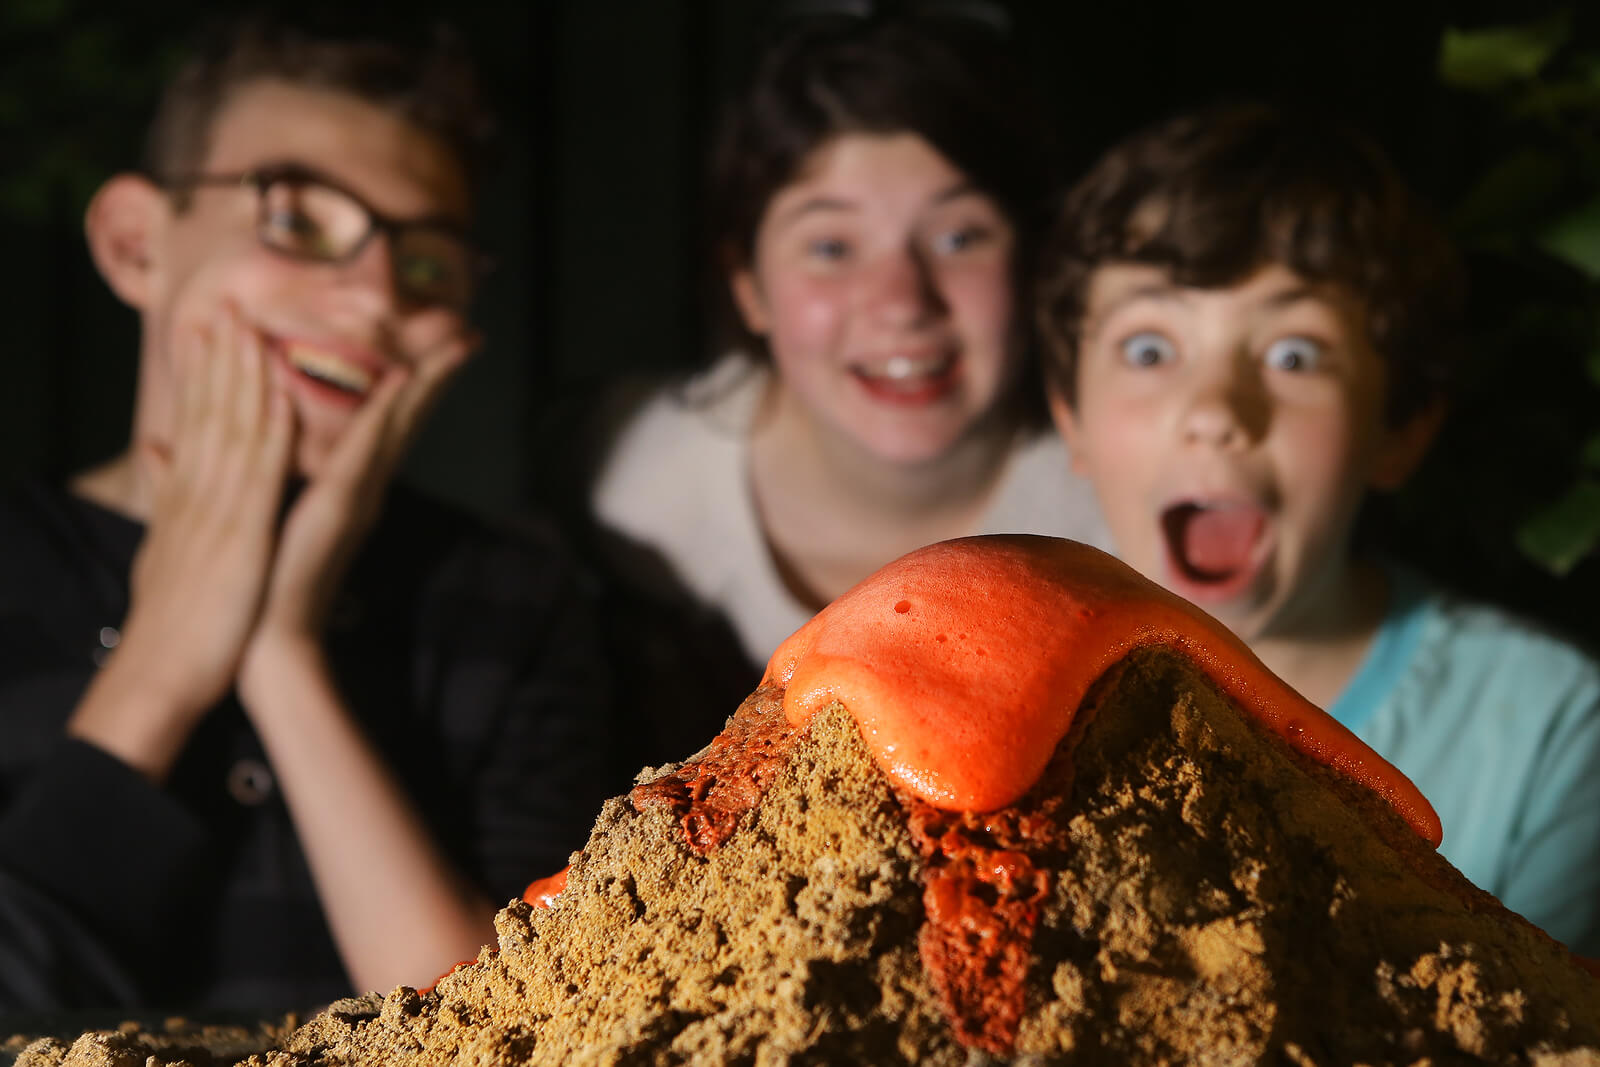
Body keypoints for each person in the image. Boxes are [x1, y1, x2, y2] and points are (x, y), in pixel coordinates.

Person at [0, 11, 615, 1018]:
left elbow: (525, 1027)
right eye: (297, 222)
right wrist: (162, 663)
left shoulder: (511, 600)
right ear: (133, 243)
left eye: (424, 264)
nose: (374, 296)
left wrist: (281, 654)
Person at [1036, 100, 1600, 955]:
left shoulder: (1553, 731)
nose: (1216, 411)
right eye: (1150, 349)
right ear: (1070, 415)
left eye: (1294, 354)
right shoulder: (982, 689)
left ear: (1400, 427)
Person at [583, 10, 1110, 738]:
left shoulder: (1123, 521)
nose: (902, 303)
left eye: (960, 236)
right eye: (831, 246)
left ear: (1033, 261)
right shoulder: (640, 490)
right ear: (749, 287)